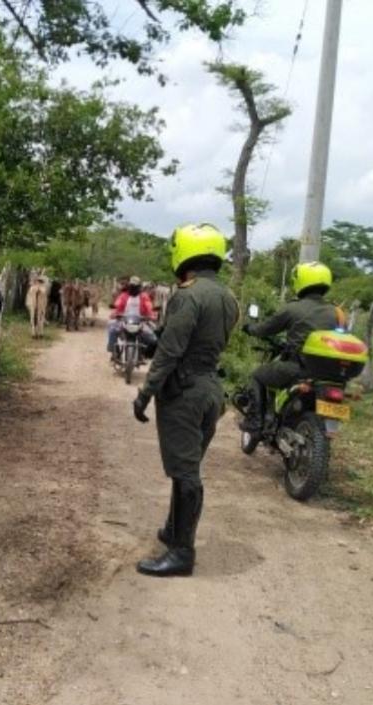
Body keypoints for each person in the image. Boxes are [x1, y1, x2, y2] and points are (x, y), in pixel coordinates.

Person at [131, 224, 239, 578]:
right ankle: (174, 530)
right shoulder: (228, 297)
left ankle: (182, 553)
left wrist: (145, 393)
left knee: (186, 473)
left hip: (184, 393)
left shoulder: (187, 295)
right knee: (186, 469)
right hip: (211, 391)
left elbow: (170, 351)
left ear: (184, 254)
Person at [238, 261, 343, 432]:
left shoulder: (292, 309)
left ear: (300, 281)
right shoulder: (337, 312)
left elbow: (264, 329)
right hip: (331, 374)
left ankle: (255, 421)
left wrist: (249, 328)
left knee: (257, 376)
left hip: (298, 369)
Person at [107, 276, 158, 356]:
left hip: (141, 322)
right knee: (112, 328)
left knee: (153, 338)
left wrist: (152, 315)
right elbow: (117, 304)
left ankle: (146, 353)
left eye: (136, 286)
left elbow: (149, 307)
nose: (133, 288)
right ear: (129, 286)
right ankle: (114, 350)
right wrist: (114, 313)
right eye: (132, 286)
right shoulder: (123, 296)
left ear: (139, 287)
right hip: (123, 320)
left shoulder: (144, 296)